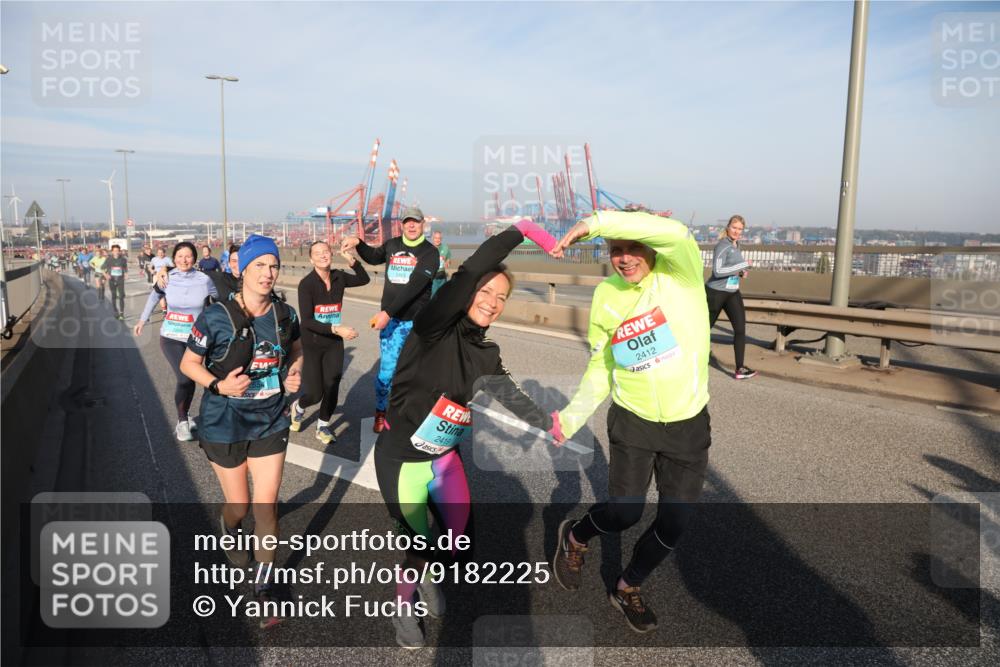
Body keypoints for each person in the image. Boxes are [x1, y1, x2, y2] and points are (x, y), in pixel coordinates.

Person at [374, 219, 563, 648]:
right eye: (486, 292)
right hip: (402, 460)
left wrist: (548, 423)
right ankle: (404, 604)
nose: (493, 302)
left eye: (502, 298)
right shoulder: (434, 325)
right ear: (469, 293)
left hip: (443, 458)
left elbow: (509, 393)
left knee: (460, 544)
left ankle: (421, 575)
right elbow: (473, 268)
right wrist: (523, 230)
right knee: (417, 543)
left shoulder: (486, 352)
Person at [549, 210, 711, 634]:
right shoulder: (606, 294)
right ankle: (576, 536)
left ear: (649, 245)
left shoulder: (682, 277)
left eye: (631, 246)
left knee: (675, 521)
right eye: (615, 250)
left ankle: (627, 585)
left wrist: (594, 223)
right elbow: (603, 363)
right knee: (624, 512)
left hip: (687, 425)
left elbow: (675, 232)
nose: (623, 258)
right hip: (633, 419)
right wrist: (571, 416)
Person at [179, 234, 302, 628]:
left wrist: (295, 371)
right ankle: (229, 525)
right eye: (259, 266)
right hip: (224, 423)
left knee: (266, 507)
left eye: (273, 266)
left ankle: (264, 588)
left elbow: (296, 348)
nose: (268, 274)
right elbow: (188, 364)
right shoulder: (216, 317)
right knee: (242, 506)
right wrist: (218, 385)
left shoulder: (285, 315)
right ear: (242, 270)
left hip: (270, 419)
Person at [340, 206, 439, 433]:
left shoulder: (430, 253)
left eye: (416, 221)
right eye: (407, 222)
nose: (411, 225)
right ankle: (381, 412)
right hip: (392, 324)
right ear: (402, 224)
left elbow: (415, 286)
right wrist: (358, 242)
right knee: (386, 372)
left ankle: (412, 416)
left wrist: (387, 312)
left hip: (417, 324)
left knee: (416, 374)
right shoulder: (393, 245)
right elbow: (374, 258)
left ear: (423, 223)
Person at [134, 242, 218, 441]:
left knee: (192, 380)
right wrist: (142, 320)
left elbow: (220, 300)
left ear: (195, 259)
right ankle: (181, 421)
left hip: (196, 339)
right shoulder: (167, 277)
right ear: (174, 259)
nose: (184, 260)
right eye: (179, 256)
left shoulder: (204, 280)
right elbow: (154, 297)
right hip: (171, 337)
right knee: (184, 378)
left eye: (188, 256)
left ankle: (186, 413)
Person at [290, 241, 369, 444]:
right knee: (315, 394)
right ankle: (299, 406)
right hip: (313, 343)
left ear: (331, 254)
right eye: (318, 253)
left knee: (332, 385)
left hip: (334, 342)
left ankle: (323, 426)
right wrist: (336, 328)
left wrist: (351, 260)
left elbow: (364, 279)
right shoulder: (307, 284)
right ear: (311, 259)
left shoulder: (339, 277)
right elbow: (306, 321)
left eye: (326, 251)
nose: (323, 255)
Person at [706, 215, 755, 379]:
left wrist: (741, 272)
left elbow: (731, 268)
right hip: (716, 293)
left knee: (740, 330)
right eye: (734, 228)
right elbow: (718, 271)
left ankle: (740, 369)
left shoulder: (736, 245)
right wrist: (743, 265)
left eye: (740, 229)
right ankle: (689, 359)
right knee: (704, 329)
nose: (737, 231)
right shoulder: (723, 245)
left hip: (732, 292)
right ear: (728, 227)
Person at [105, 244, 129, 320]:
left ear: (119, 251)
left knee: (121, 296)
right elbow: (102, 268)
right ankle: (115, 311)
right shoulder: (108, 259)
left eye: (117, 250)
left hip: (120, 279)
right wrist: (106, 275)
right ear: (112, 251)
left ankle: (121, 313)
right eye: (114, 251)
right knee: (114, 296)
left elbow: (125, 268)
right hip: (111, 280)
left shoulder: (123, 259)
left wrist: (126, 274)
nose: (116, 252)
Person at [430, 230, 452, 296]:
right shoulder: (428, 248)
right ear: (432, 238)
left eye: (439, 238)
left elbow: (449, 258)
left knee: (442, 294)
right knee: (433, 296)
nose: (437, 240)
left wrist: (448, 262)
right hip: (432, 276)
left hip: (442, 275)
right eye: (436, 238)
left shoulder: (445, 248)